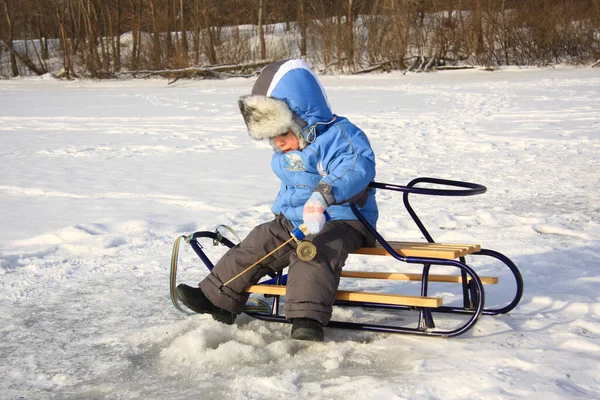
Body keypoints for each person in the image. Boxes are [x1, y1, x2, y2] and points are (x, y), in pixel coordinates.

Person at [176, 59, 378, 341]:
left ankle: (307, 317)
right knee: (260, 239)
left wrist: (324, 195)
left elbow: (356, 169)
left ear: (303, 119)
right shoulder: (289, 151)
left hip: (345, 218)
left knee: (312, 249)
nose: (279, 144)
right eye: (272, 138)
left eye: (283, 134)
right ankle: (216, 296)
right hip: (295, 220)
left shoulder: (340, 137)